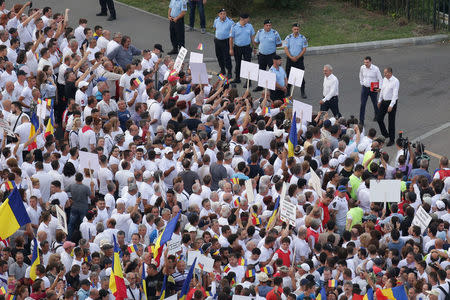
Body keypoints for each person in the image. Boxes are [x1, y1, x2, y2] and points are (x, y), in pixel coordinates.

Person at [253, 19, 282, 92]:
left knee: (272, 71)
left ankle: (273, 86)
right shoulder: (260, 32)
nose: (268, 27)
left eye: (270, 25)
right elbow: (256, 41)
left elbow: (279, 44)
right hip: (262, 55)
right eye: (267, 25)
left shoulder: (275, 33)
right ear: (264, 26)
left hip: (271, 55)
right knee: (261, 70)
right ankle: (260, 86)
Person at [229, 13, 255, 84]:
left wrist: (255, 47)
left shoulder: (250, 26)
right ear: (242, 19)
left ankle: (248, 81)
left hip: (247, 48)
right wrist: (231, 49)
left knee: (248, 65)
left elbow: (252, 37)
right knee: (238, 64)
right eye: (247, 18)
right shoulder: (234, 26)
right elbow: (231, 38)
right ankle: (237, 78)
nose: (248, 20)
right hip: (237, 48)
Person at [377, 67, 399, 146]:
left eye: (386, 73)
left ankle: (392, 139)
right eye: (384, 73)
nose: (384, 74)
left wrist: (391, 105)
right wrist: (379, 100)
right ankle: (385, 134)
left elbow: (395, 94)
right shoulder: (384, 79)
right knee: (379, 118)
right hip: (384, 101)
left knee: (391, 122)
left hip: (391, 102)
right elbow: (382, 90)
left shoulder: (395, 81)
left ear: (390, 73)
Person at [284, 23, 307, 99]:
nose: (296, 30)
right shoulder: (288, 37)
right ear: (292, 29)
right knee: (288, 75)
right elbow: (286, 48)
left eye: (297, 29)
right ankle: (288, 91)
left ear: (299, 29)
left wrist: (297, 57)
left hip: (299, 59)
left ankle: (302, 92)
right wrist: (291, 57)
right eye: (295, 29)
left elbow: (304, 49)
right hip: (290, 59)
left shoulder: (302, 38)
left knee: (301, 75)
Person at [359, 56, 383, 125]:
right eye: (365, 62)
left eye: (367, 62)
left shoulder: (375, 69)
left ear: (370, 62)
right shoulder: (362, 67)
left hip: (373, 88)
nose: (365, 64)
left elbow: (380, 79)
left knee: (375, 103)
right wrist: (362, 82)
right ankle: (361, 121)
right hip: (365, 88)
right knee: (362, 104)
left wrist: (380, 88)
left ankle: (377, 116)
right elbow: (360, 75)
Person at [213, 8, 234, 78]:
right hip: (217, 41)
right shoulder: (216, 20)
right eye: (221, 14)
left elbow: (233, 32)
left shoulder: (230, 22)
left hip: (225, 41)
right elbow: (215, 28)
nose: (223, 15)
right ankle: (222, 70)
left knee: (227, 57)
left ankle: (229, 72)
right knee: (219, 56)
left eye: (224, 13)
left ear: (226, 14)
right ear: (219, 15)